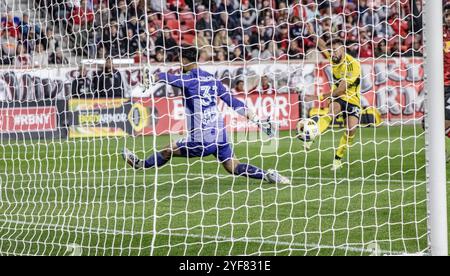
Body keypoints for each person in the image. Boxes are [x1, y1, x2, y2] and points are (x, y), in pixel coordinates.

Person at [122, 46, 290, 185]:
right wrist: (258, 121)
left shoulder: (189, 79)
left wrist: (155, 76)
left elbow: (171, 78)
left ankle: (141, 164)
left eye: (181, 60)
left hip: (203, 140)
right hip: (220, 134)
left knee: (168, 150)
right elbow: (234, 103)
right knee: (233, 166)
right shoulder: (212, 79)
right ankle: (268, 175)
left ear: (185, 61)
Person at [306, 23, 362, 171]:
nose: (332, 53)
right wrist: (312, 33)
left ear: (342, 48)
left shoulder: (352, 65)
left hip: (352, 99)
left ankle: (338, 158)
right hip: (338, 97)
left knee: (351, 131)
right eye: (331, 51)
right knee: (331, 113)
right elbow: (322, 44)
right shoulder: (333, 56)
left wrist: (318, 97)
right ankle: (312, 134)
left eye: (335, 50)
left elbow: (342, 89)